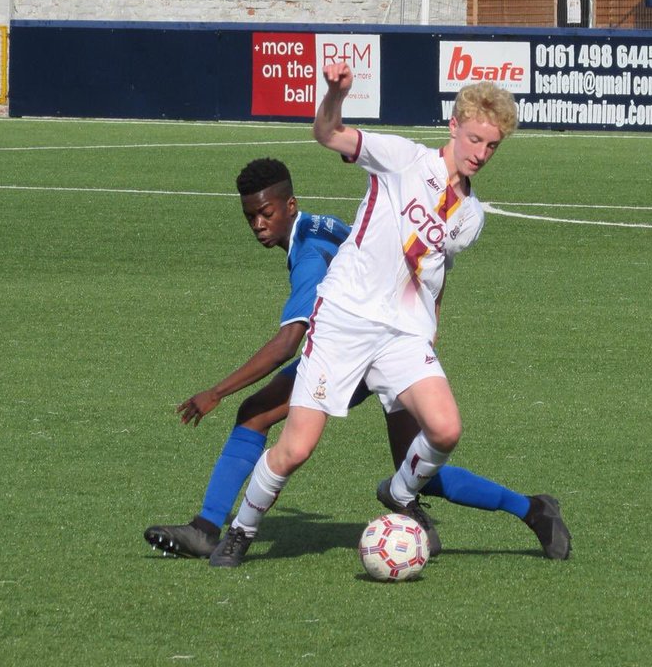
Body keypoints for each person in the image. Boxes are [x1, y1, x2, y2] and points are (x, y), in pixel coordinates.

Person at [212, 64, 568, 568]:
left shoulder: (471, 217)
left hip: (402, 334)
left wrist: (432, 323)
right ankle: (240, 531)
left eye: (492, 146)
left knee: (445, 429)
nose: (481, 153)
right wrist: (335, 93)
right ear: (453, 125)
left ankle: (399, 493)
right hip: (344, 320)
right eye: (475, 139)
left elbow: (437, 269)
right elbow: (327, 132)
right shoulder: (403, 159)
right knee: (296, 448)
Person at [144, 157, 570, 565]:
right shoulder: (319, 224)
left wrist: (216, 392)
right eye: (250, 217)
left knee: (255, 413)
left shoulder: (308, 257)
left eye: (265, 213)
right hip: (394, 338)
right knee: (415, 466)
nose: (258, 224)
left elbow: (289, 341)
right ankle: (531, 509)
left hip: (357, 349)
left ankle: (207, 528)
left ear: (289, 205)